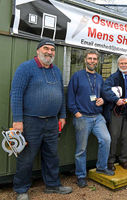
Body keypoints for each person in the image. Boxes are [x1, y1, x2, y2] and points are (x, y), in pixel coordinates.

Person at [10, 39, 72, 200]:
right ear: (38, 51)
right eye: (46, 48)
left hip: (52, 122)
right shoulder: (25, 68)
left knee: (52, 155)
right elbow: (16, 95)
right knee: (26, 157)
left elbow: (61, 95)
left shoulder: (56, 71)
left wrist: (63, 115)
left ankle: (53, 185)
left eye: (52, 50)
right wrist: (17, 121)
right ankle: (21, 189)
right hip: (31, 122)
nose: (49, 52)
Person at [67, 49, 113, 188]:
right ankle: (81, 175)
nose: (92, 61)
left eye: (94, 59)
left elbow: (103, 95)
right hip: (83, 117)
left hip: (97, 117)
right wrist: (76, 113)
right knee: (81, 149)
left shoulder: (99, 78)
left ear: (97, 61)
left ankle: (101, 167)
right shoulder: (77, 76)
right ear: (85, 60)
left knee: (106, 139)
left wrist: (102, 101)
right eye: (90, 58)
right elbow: (70, 97)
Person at [103, 55, 127, 171]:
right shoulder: (113, 77)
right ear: (118, 64)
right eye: (121, 63)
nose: (124, 65)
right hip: (116, 112)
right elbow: (105, 89)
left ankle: (124, 160)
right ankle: (110, 161)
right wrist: (116, 100)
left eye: (126, 63)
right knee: (113, 137)